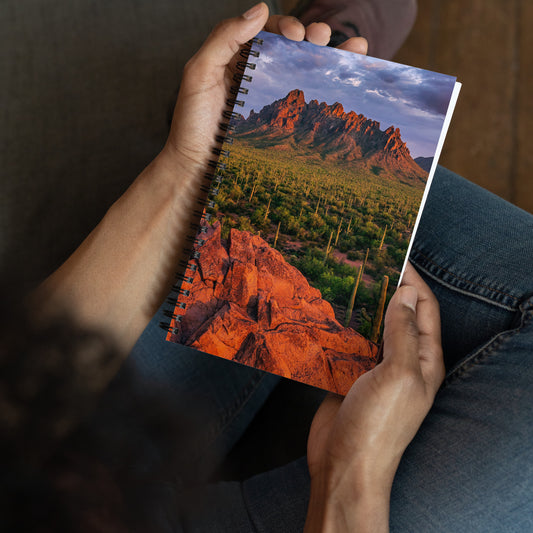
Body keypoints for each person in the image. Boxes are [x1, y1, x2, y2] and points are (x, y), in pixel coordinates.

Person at [2, 2, 532, 531]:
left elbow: (16, 399)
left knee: (225, 234)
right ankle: (311, 69)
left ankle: (257, 113)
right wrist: (349, 479)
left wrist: (185, 171)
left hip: (47, 473)